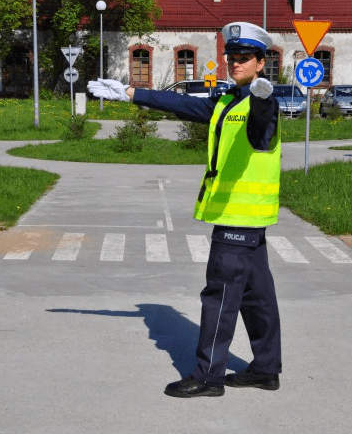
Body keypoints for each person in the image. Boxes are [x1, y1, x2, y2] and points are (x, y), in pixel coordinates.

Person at [88, 21, 282, 398]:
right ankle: (265, 370)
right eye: (232, 57)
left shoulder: (262, 103)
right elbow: (185, 104)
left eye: (245, 58)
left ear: (261, 63)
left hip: (236, 220)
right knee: (257, 298)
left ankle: (208, 377)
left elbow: (261, 123)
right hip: (250, 222)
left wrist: (262, 98)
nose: (235, 63)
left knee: (220, 298)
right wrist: (132, 93)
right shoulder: (228, 100)